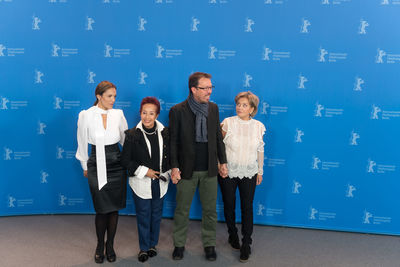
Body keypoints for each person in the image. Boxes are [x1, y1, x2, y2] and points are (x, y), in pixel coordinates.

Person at [169, 72, 228, 261]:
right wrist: (174, 167)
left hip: (210, 169)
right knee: (182, 210)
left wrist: (223, 162)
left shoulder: (214, 108)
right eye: (205, 88)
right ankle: (179, 245)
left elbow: (218, 138)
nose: (209, 91)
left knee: (210, 210)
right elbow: (173, 142)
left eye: (211, 87)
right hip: (186, 170)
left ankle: (209, 245)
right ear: (193, 89)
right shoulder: (178, 110)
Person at [75, 81, 128, 264]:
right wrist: (84, 166)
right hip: (96, 164)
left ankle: (110, 245)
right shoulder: (86, 115)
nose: (113, 100)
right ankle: (99, 245)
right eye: (109, 96)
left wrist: (133, 161)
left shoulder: (118, 114)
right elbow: (82, 142)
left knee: (113, 209)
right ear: (99, 96)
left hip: (116, 163)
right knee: (101, 209)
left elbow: (125, 141)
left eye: (114, 96)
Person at [121, 97, 171, 263]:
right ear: (140, 113)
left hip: (161, 182)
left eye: (151, 113)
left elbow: (170, 156)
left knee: (156, 215)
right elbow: (125, 161)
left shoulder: (165, 133)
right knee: (143, 215)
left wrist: (171, 172)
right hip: (141, 183)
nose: (147, 117)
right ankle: (143, 247)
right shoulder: (131, 134)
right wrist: (145, 171)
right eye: (144, 113)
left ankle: (152, 245)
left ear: (157, 115)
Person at [218, 91, 265, 262]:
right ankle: (232, 234)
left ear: (252, 109)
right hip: (228, 172)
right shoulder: (227, 123)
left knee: (247, 207)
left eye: (244, 105)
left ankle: (246, 243)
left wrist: (260, 171)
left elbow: (260, 149)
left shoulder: (259, 126)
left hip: (249, 172)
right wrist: (219, 165)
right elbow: (218, 146)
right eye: (238, 104)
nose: (240, 107)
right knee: (229, 205)